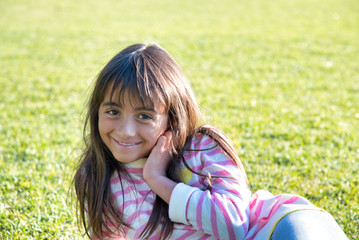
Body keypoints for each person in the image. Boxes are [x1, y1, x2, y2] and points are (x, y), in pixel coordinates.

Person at [73, 43, 348, 240]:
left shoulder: (201, 147)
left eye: (144, 115)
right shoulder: (96, 176)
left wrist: (158, 180)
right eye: (113, 111)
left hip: (277, 228)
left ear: (172, 117)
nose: (126, 130)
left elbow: (234, 226)